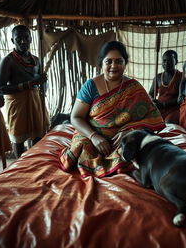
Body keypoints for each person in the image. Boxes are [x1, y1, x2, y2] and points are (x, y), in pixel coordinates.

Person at [59, 41, 165, 178]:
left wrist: (130, 131)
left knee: (133, 151)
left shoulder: (134, 87)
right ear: (101, 64)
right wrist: (94, 137)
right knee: (82, 148)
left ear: (125, 64)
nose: (113, 66)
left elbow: (153, 117)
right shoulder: (90, 86)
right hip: (91, 134)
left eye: (119, 61)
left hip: (121, 139)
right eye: (108, 61)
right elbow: (75, 117)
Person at [0, 25, 49, 158]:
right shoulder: (8, 61)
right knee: (18, 139)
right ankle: (19, 168)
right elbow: (1, 88)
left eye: (26, 38)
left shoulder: (36, 60)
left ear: (31, 39)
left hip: (35, 102)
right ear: (12, 40)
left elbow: (42, 83)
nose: (22, 41)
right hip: (17, 105)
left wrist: (43, 85)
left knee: (38, 136)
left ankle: (34, 164)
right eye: (18, 38)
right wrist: (29, 84)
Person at [149, 50, 182, 124]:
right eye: (164, 60)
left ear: (176, 61)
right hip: (159, 109)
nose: (166, 63)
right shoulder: (158, 77)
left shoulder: (180, 77)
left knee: (169, 122)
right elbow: (150, 93)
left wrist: (164, 105)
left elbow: (181, 99)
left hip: (175, 110)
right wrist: (153, 101)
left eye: (170, 60)